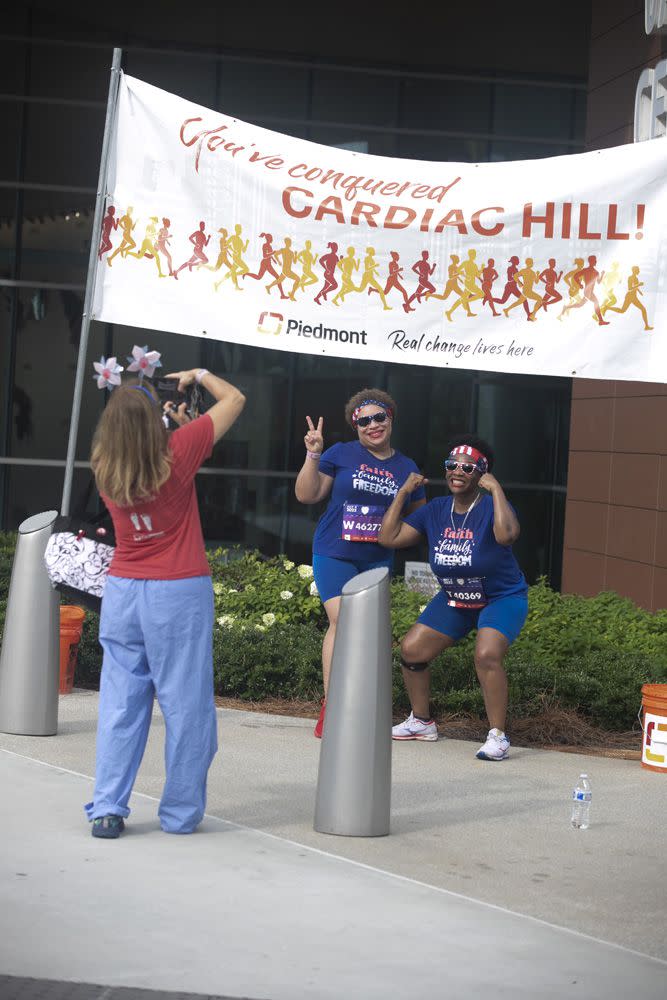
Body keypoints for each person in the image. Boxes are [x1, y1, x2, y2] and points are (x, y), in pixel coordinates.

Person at [86, 368, 246, 837]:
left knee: (120, 702)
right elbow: (234, 397)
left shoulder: (103, 463)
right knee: (186, 704)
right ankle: (178, 814)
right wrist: (200, 375)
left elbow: (140, 453)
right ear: (154, 421)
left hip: (124, 590)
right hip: (177, 589)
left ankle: (107, 809)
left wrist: (167, 422)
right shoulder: (177, 451)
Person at [378, 434, 527, 761]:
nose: (457, 471)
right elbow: (388, 536)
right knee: (411, 650)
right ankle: (421, 721)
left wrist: (498, 490)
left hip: (499, 597)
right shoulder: (435, 510)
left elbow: (507, 535)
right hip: (456, 596)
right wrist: (404, 492)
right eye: (451, 465)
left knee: (487, 654)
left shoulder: (491, 506)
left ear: (482, 473)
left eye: (468, 467)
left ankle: (498, 736)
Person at [295, 389, 426, 738]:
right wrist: (313, 453)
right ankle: (333, 706)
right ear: (355, 427)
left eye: (378, 417)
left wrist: (396, 536)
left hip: (377, 560)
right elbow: (307, 495)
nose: (372, 425)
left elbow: (417, 524)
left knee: (369, 633)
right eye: (363, 420)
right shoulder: (340, 453)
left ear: (390, 419)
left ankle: (360, 707)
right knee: (342, 620)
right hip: (334, 551)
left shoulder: (406, 467)